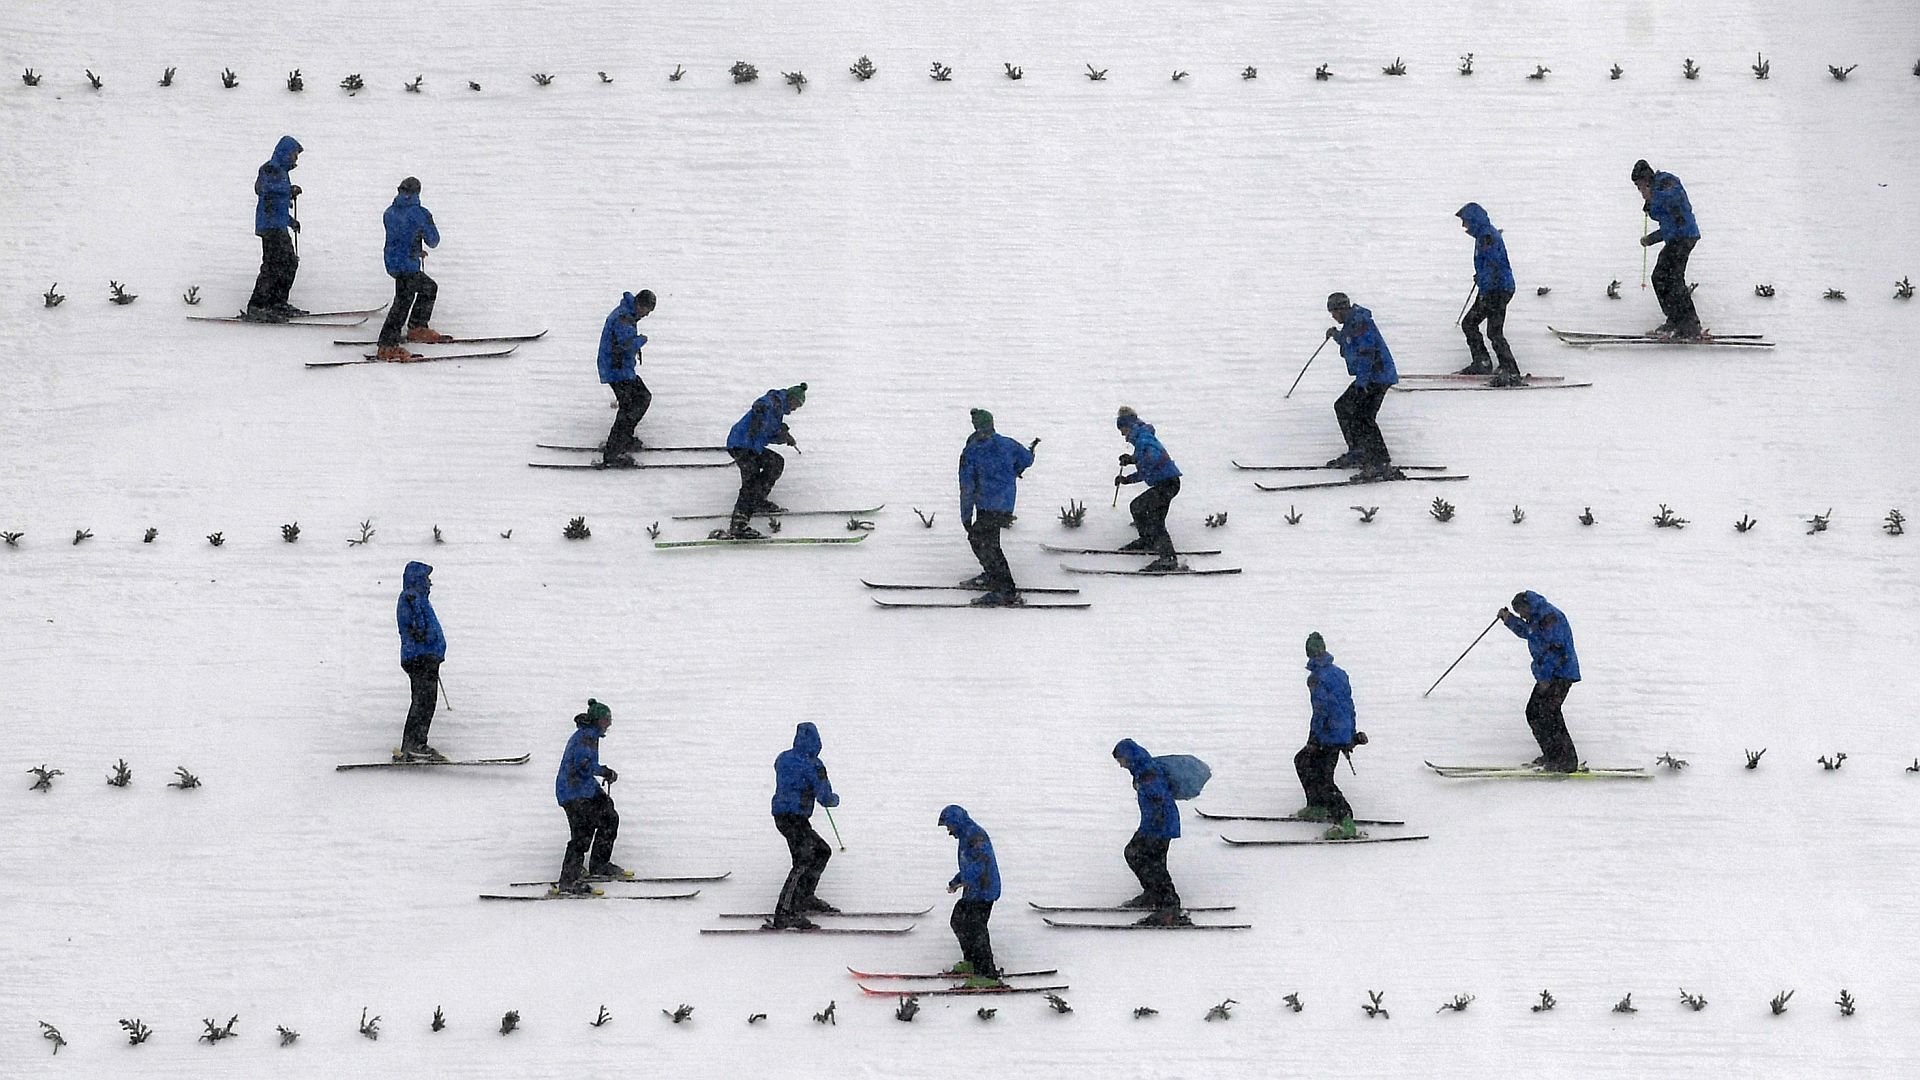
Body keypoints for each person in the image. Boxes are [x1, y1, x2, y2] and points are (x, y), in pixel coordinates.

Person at [957, 408, 1035, 607]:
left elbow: (967, 487)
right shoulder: (1008, 444)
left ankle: (1005, 589)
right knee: (990, 541)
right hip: (1005, 504)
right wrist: (1017, 467)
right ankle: (993, 577)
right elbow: (1027, 459)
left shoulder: (972, 451)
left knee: (979, 540)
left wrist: (966, 517)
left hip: (986, 504)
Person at [1295, 632, 1369, 839]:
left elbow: (1321, 710)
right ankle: (1317, 806)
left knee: (1321, 778)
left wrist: (1314, 738)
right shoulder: (1340, 674)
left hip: (1327, 735)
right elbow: (1349, 706)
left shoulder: (1316, 678)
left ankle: (1345, 821)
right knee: (1304, 762)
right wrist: (1351, 734)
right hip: (1340, 733)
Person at [1498, 591, 1582, 773]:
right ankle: (1552, 756)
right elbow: (1529, 633)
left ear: (1528, 605)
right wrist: (1509, 619)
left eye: (1522, 613)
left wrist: (1544, 679)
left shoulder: (1550, 617)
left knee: (1549, 713)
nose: (1523, 617)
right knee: (1534, 712)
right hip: (1549, 674)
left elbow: (1556, 651)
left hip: (1560, 674)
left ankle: (1567, 761)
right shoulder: (1536, 617)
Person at [768, 721, 840, 930]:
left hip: (782, 816)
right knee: (805, 858)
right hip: (795, 817)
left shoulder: (783, 758)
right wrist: (833, 799)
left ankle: (804, 898)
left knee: (821, 851)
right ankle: (785, 912)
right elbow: (825, 797)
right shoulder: (813, 764)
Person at [1323, 293, 1401, 481]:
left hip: (1377, 376)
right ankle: (1359, 451)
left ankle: (1379, 462)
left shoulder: (1359, 322)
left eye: (1334, 311)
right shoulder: (1352, 323)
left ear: (1342, 309)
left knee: (1363, 416)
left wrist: (1362, 384)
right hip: (1370, 376)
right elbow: (1350, 342)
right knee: (1343, 407)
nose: (1333, 316)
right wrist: (1336, 336)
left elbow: (1367, 353)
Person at [1111, 738, 1187, 926]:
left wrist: (1157, 824)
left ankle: (1170, 908)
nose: (1120, 765)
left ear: (1129, 757)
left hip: (1159, 825)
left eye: (1120, 760)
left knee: (1150, 862)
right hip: (1154, 824)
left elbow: (1160, 798)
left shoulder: (1148, 773)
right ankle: (1153, 895)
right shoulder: (1142, 769)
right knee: (1140, 856)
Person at [373, 177, 451, 361]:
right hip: (407, 264)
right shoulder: (419, 213)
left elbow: (401, 237)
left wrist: (415, 249)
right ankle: (388, 344)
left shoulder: (390, 212)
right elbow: (434, 240)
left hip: (394, 262)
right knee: (403, 301)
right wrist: (429, 224)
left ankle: (415, 328)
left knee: (426, 288)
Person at [553, 699, 624, 896]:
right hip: (572, 792)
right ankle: (568, 881)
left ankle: (599, 864)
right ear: (596, 721)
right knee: (582, 834)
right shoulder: (585, 738)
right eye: (606, 720)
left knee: (608, 816)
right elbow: (583, 766)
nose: (609, 724)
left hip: (582, 789)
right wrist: (604, 772)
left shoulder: (591, 735)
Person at [725, 384, 807, 540]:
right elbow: (761, 405)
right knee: (752, 480)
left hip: (753, 447)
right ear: (790, 398)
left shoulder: (778, 412)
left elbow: (766, 433)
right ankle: (738, 524)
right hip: (741, 444)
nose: (795, 409)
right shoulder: (774, 400)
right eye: (796, 404)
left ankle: (757, 500)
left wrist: (782, 437)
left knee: (776, 462)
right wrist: (760, 410)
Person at [1632, 159, 1702, 340]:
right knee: (1660, 277)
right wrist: (1651, 239)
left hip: (1685, 237)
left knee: (1673, 278)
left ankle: (1690, 324)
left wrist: (1652, 196)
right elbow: (1669, 226)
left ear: (1646, 180)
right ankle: (1675, 319)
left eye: (1640, 187)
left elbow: (1675, 197)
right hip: (1677, 238)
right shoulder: (1657, 193)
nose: (1641, 192)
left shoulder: (1665, 181)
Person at [1454, 203, 1523, 385]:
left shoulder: (1487, 237)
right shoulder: (1485, 236)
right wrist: (1482, 278)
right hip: (1493, 288)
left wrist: (1485, 281)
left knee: (1486, 328)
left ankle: (1508, 369)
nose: (1464, 226)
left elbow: (1494, 265)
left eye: (1465, 222)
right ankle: (1490, 363)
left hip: (1497, 290)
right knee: (1475, 325)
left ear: (1474, 220)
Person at [1112, 406, 1184, 572]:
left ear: (1128, 426)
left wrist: (1131, 474)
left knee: (1152, 517)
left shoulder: (1143, 439)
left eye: (1123, 431)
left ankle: (1168, 559)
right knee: (1138, 508)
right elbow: (1146, 462)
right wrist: (1132, 460)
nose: (1124, 437)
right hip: (1168, 483)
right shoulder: (1143, 437)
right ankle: (1149, 541)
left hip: (1167, 484)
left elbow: (1152, 459)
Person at [938, 804, 1002, 985]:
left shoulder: (975, 836)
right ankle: (972, 962)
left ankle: (987, 974)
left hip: (985, 890)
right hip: (974, 891)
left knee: (976, 929)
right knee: (958, 920)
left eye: (948, 826)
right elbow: (968, 866)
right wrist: (956, 881)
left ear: (955, 822)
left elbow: (981, 865)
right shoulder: (966, 835)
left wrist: (962, 880)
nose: (949, 831)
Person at [245, 135, 305, 322]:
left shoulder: (282, 173)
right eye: (295, 154)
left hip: (276, 225)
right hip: (270, 227)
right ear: (286, 153)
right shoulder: (270, 168)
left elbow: (275, 205)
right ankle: (258, 305)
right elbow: (265, 189)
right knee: (273, 265)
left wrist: (290, 221)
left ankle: (277, 301)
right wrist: (289, 190)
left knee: (289, 262)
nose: (296, 158)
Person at [596, 290, 657, 467]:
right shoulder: (623, 318)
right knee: (633, 404)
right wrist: (641, 340)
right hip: (616, 369)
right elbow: (626, 345)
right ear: (639, 305)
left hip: (620, 368)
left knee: (638, 400)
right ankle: (612, 453)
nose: (647, 315)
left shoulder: (627, 313)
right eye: (647, 310)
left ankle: (623, 440)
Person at [394, 561, 446, 762]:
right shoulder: (412, 597)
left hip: (425, 657)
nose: (430, 583)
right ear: (418, 579)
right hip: (420, 657)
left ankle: (416, 743)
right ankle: (413, 744)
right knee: (423, 701)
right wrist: (424, 636)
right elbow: (418, 628)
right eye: (427, 578)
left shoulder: (417, 598)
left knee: (426, 700)